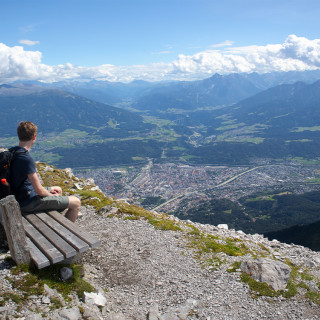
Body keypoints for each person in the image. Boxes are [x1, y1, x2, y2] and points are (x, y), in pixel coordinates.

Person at [10, 121, 80, 222]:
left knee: (58, 189)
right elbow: (39, 190)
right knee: (76, 202)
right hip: (27, 202)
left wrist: (51, 192)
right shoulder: (25, 158)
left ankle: (54, 220)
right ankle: (67, 235)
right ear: (34, 136)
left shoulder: (12, 152)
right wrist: (51, 195)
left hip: (18, 196)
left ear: (19, 135)